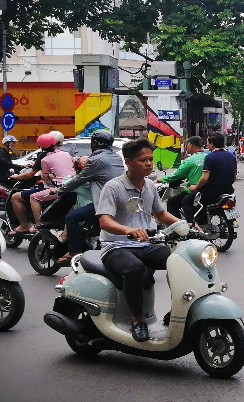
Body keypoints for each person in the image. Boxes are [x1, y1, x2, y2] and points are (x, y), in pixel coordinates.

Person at [96, 137, 182, 342]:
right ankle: (138, 319)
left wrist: (182, 225)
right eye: (143, 160)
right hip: (115, 247)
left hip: (145, 245)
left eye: (151, 159)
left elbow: (160, 214)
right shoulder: (113, 187)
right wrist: (128, 230)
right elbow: (104, 221)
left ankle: (177, 312)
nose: (149, 164)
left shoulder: (150, 185)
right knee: (135, 269)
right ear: (128, 161)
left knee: (179, 261)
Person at [55, 130, 125, 264]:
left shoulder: (95, 160)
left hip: (105, 204)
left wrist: (60, 190)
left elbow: (79, 179)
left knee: (71, 217)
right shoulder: (116, 157)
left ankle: (74, 252)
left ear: (94, 143)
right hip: (119, 201)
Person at [187, 132, 237, 223]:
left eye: (207, 142)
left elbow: (204, 178)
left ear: (212, 144)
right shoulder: (232, 156)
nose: (206, 145)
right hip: (228, 190)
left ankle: (194, 225)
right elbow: (233, 175)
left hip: (212, 192)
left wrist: (196, 186)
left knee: (186, 200)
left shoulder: (210, 157)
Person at [8, 135, 52, 235]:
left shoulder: (43, 156)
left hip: (50, 188)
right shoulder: (64, 154)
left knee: (16, 197)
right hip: (64, 186)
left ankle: (26, 225)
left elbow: (31, 174)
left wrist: (17, 177)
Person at [28, 133, 75, 226]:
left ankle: (38, 224)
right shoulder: (66, 154)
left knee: (33, 197)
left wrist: (50, 175)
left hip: (61, 189)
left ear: (40, 146)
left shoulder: (45, 160)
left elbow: (44, 178)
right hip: (74, 185)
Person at [158, 136, 206, 222]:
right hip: (207, 189)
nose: (186, 147)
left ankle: (179, 228)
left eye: (187, 145)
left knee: (172, 202)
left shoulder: (190, 160)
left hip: (196, 189)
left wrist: (161, 180)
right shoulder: (208, 157)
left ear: (190, 145)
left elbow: (176, 175)